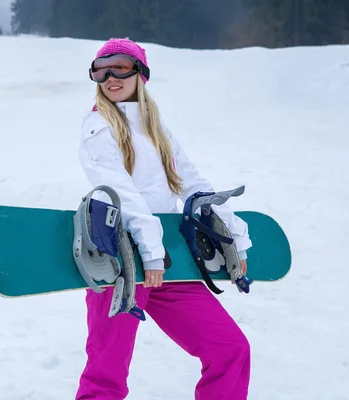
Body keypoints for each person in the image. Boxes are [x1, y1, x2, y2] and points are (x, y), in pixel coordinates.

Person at [75, 38, 253, 400]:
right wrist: (150, 250)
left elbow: (195, 187)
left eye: (120, 66)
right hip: (118, 263)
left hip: (165, 265)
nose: (110, 77)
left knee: (230, 350)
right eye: (100, 69)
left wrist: (233, 238)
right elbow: (120, 193)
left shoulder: (158, 132)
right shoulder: (98, 129)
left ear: (141, 73)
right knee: (106, 376)